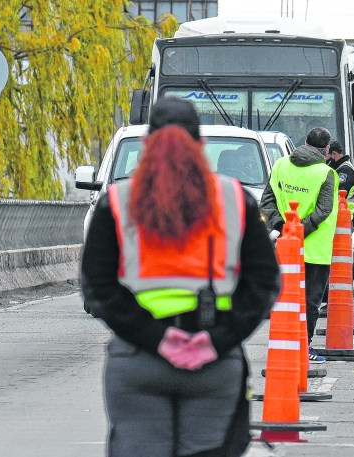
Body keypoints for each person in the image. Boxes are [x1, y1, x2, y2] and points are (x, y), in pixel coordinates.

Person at [80, 97, 280, 457]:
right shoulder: (235, 200)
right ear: (200, 145)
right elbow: (263, 284)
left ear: (147, 144)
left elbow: (98, 288)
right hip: (214, 364)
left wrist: (157, 339)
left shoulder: (117, 201)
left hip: (138, 359)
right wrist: (216, 340)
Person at [260, 126, 339, 363]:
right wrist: (299, 231)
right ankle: (303, 347)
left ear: (304, 142)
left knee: (285, 299)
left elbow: (267, 200)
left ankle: (284, 345)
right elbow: (323, 210)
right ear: (326, 150)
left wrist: (284, 229)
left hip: (284, 247)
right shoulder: (326, 174)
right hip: (314, 250)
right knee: (310, 301)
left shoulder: (281, 165)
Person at [326, 139, 354, 212]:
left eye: (326, 155)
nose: (325, 158)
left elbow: (339, 194)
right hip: (340, 214)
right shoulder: (338, 168)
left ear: (333, 154)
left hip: (345, 216)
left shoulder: (345, 170)